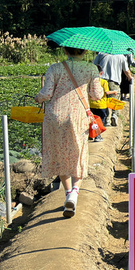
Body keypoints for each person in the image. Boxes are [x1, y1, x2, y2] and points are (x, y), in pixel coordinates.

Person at [35, 47, 104, 218]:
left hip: (55, 116)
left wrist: (38, 97)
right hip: (78, 116)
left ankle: (67, 194)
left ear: (65, 51)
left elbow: (47, 93)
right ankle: (74, 193)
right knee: (78, 153)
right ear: (84, 52)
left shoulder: (55, 68)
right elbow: (97, 95)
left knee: (60, 154)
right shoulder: (91, 68)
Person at [93, 52, 131, 125]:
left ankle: (106, 119)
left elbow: (94, 66)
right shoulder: (121, 56)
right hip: (114, 81)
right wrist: (130, 78)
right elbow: (126, 70)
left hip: (101, 80)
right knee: (115, 99)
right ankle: (114, 115)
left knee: (104, 99)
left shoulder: (101, 54)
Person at [88, 64, 118, 139]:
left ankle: (91, 135)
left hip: (91, 104)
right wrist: (114, 92)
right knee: (101, 121)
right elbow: (107, 92)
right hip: (101, 105)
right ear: (101, 73)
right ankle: (98, 136)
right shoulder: (104, 82)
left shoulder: (89, 82)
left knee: (92, 120)